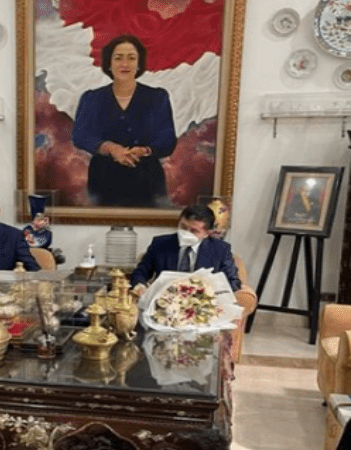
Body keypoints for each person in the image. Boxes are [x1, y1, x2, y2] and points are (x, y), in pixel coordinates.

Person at [72, 34, 177, 207]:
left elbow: (168, 139)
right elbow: (80, 136)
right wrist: (109, 148)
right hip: (103, 179)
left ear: (139, 63)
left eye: (131, 58)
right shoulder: (91, 98)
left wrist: (144, 150)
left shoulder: (158, 97)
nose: (125, 64)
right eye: (118, 58)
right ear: (109, 63)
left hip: (147, 181)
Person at [130, 204, 241, 292]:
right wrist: (140, 287)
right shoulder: (160, 244)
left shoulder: (221, 249)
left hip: (203, 302)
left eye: (194, 231)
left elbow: (233, 281)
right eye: (183, 227)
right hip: (164, 300)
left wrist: (213, 295)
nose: (186, 233)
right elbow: (140, 272)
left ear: (207, 233)